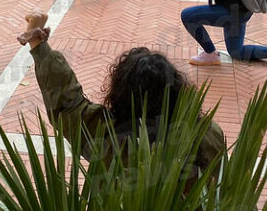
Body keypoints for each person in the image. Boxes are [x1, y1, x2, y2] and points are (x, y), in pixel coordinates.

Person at [18, 9, 226, 173]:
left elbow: (69, 106)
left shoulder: (112, 140)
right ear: (178, 91)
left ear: (120, 95)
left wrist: (38, 43)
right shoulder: (207, 134)